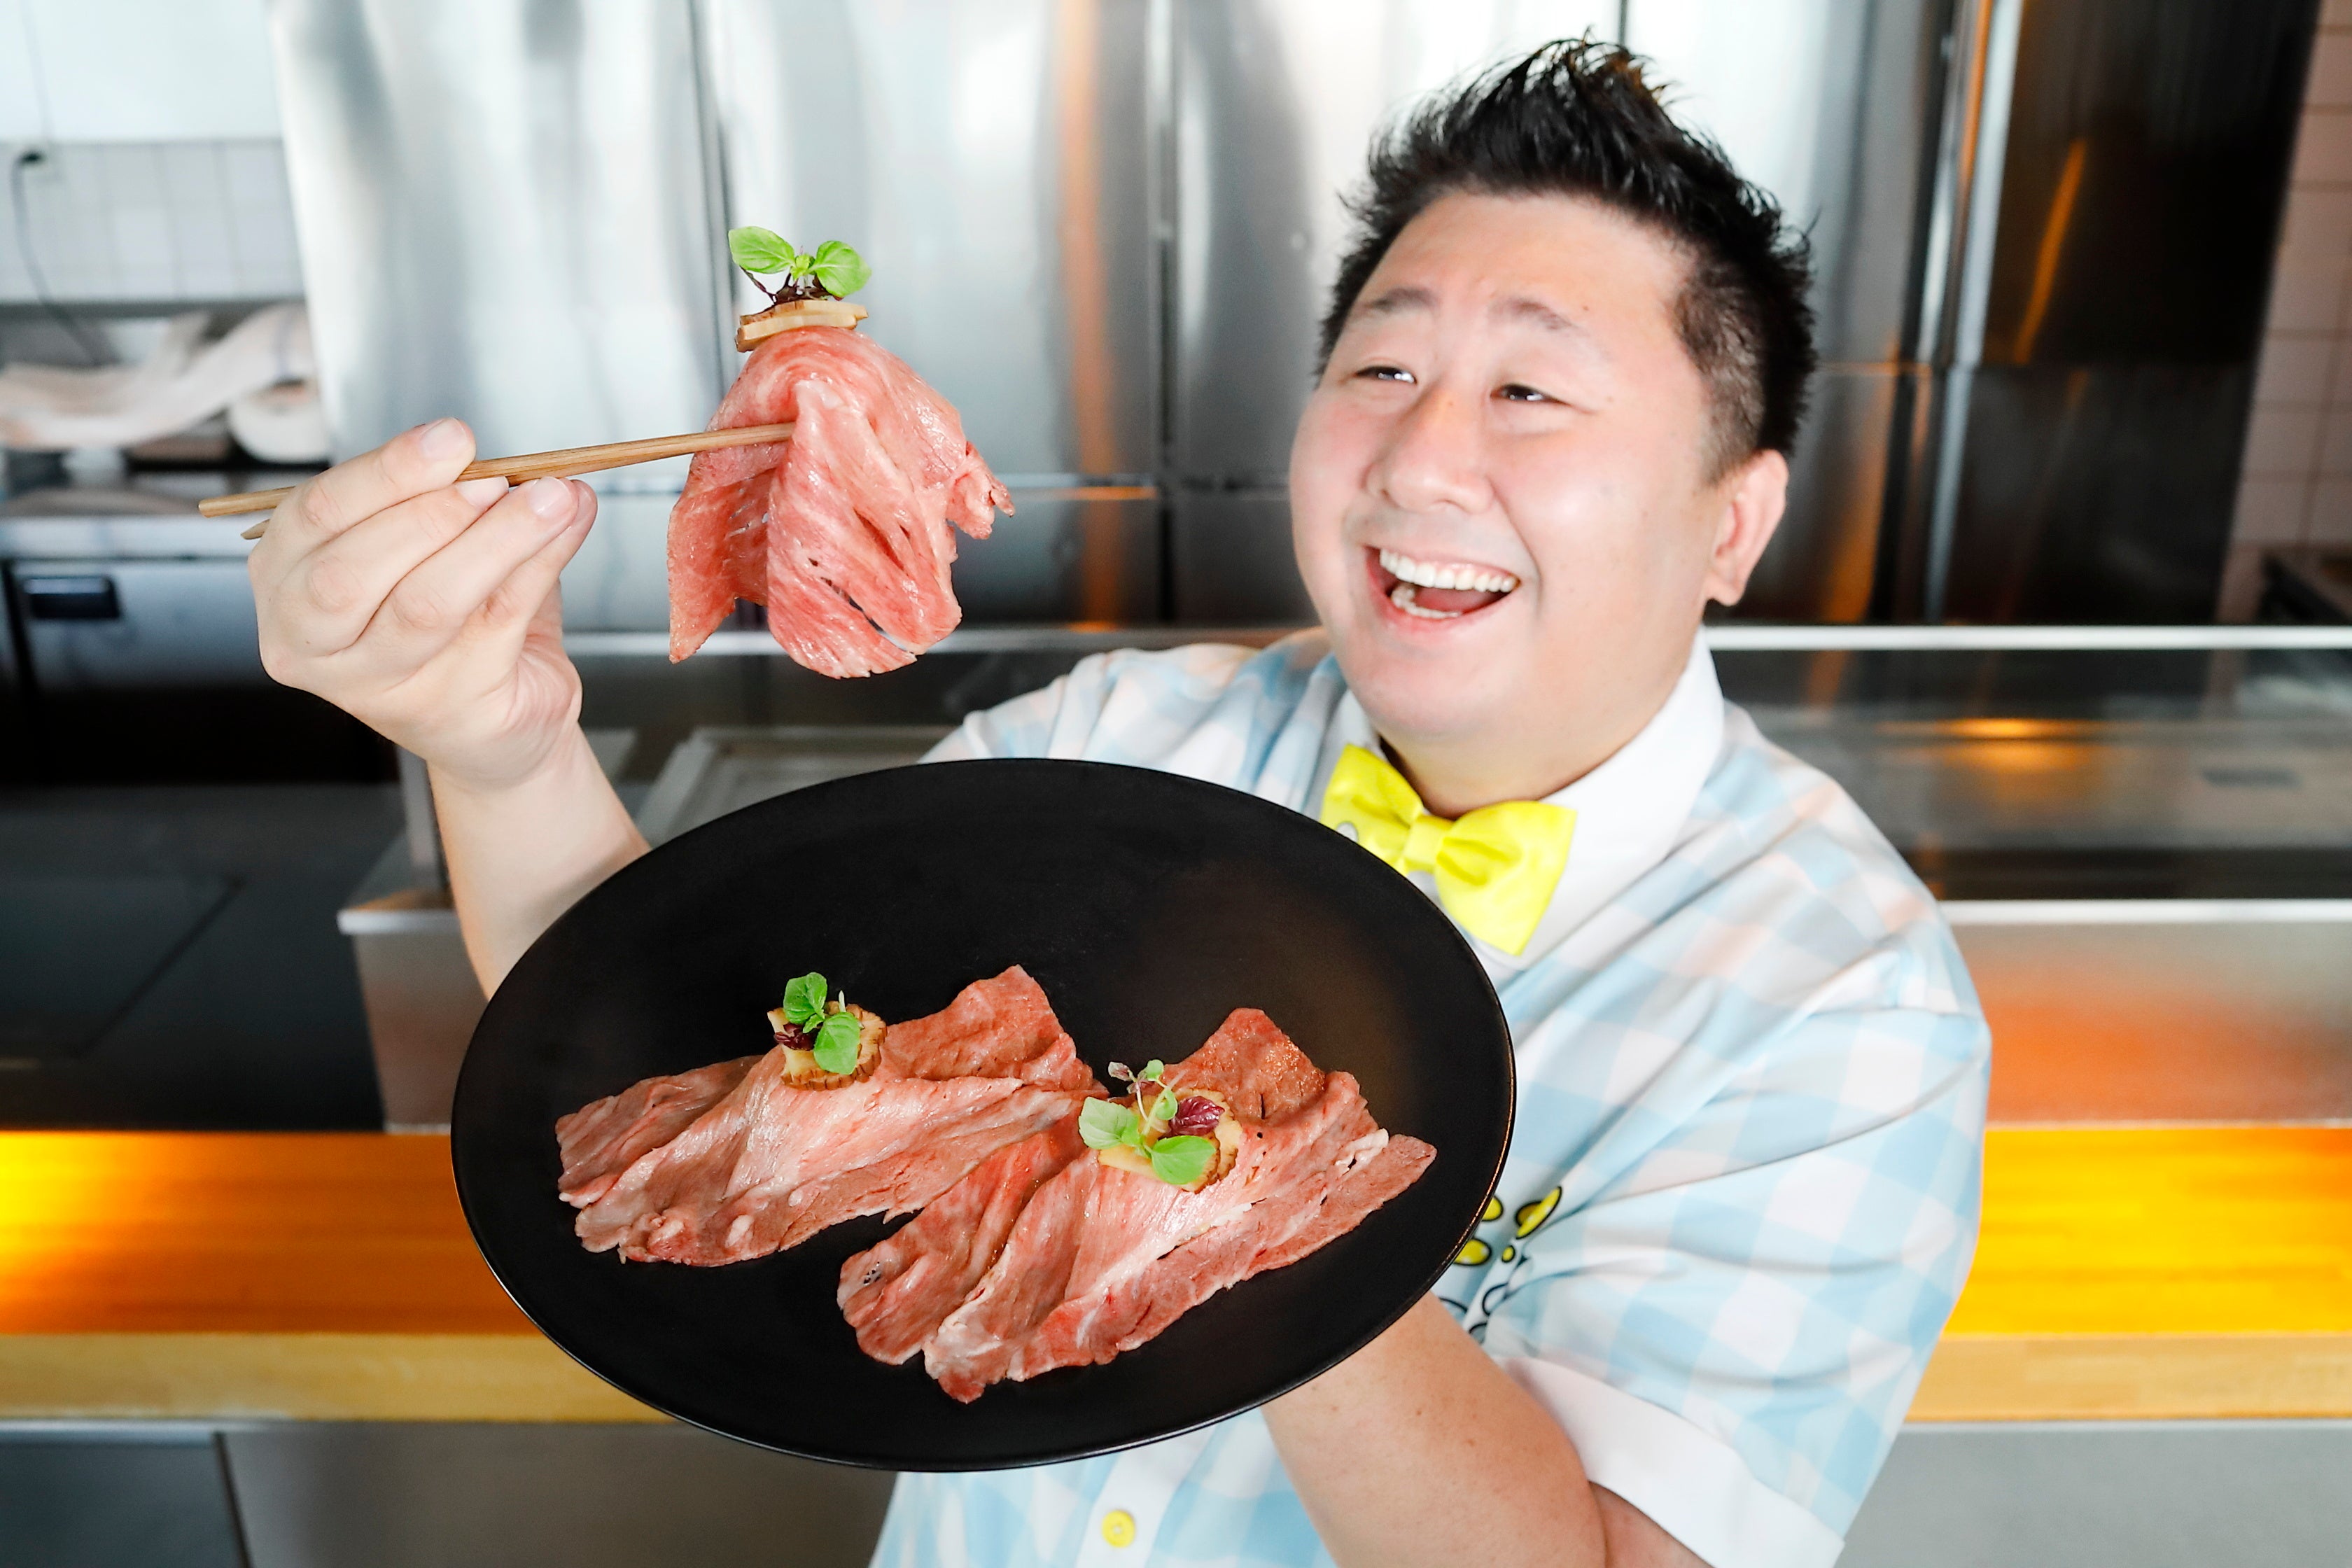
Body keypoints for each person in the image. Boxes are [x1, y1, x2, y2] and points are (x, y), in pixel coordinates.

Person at [249, 41, 1987, 1568]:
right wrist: (499, 747)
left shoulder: (1847, 1004)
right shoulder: (1127, 740)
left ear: (1733, 521)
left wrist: (1256, 1189)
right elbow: (685, 1060)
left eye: (1531, 391)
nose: (1417, 459)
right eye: (1381, 370)